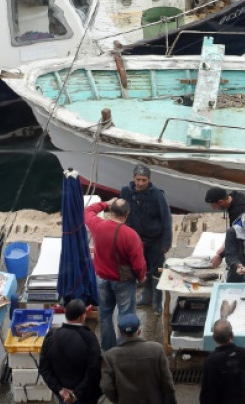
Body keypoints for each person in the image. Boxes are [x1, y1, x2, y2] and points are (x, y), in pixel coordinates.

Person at [84, 198, 147, 351]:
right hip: (123, 281)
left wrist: (105, 203)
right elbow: (138, 264)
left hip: (102, 279)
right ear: (126, 214)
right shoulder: (130, 235)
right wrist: (141, 278)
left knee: (105, 316)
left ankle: (107, 349)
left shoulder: (97, 226)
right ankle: (124, 349)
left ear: (110, 212)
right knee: (125, 316)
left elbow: (87, 211)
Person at [120, 164, 172, 313]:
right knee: (142, 271)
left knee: (156, 272)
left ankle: (157, 302)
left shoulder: (157, 195)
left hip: (155, 241)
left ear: (149, 179)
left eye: (144, 180)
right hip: (135, 241)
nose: (141, 183)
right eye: (138, 179)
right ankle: (146, 297)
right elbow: (119, 215)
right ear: (133, 178)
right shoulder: (125, 192)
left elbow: (166, 219)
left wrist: (166, 242)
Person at [101, 314, 176, 404]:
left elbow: (106, 386)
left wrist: (118, 400)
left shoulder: (110, 356)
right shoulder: (157, 349)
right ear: (139, 331)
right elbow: (167, 383)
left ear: (120, 333)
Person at [39, 299, 102, 404]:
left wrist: (60, 390)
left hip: (63, 396)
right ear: (82, 317)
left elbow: (44, 368)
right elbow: (94, 371)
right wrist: (75, 393)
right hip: (84, 396)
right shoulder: (89, 338)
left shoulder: (51, 336)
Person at [199, 320, 245, 404]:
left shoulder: (211, 361)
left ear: (213, 338)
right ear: (232, 335)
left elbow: (207, 391)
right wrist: (242, 391)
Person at [205, 187, 245, 267]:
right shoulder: (234, 197)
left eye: (214, 205)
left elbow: (236, 237)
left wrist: (220, 256)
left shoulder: (238, 212)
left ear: (221, 202)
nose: (213, 208)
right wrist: (224, 245)